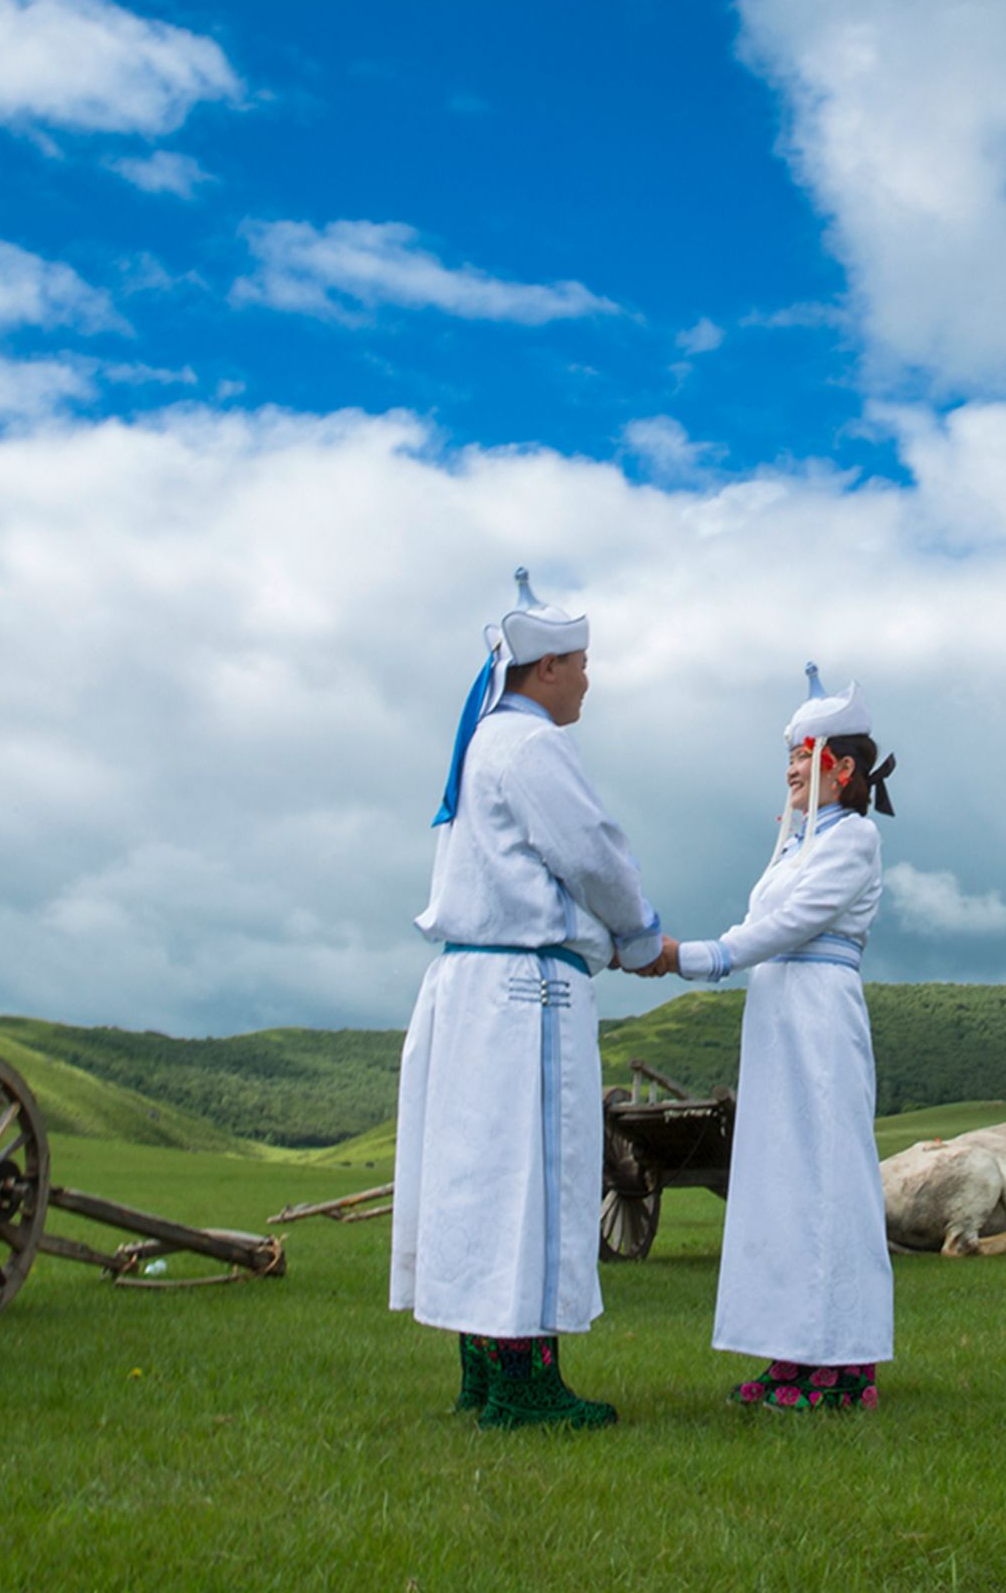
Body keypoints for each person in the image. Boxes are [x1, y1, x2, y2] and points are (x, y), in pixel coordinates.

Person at [391, 570, 666, 1429]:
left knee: (475, 1176)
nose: (588, 678)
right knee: (534, 1178)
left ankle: (479, 1369)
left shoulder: (482, 745)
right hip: (526, 991)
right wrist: (640, 935)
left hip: (468, 986)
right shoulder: (533, 747)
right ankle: (525, 1385)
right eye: (581, 663)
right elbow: (590, 853)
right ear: (544, 669)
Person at [641, 665, 898, 1411]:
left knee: (826, 1177)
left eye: (802, 755)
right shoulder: (793, 843)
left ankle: (846, 1362)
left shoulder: (852, 841)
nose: (789, 769)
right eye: (786, 756)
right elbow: (768, 923)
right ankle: (792, 1349)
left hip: (818, 1013)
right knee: (780, 1179)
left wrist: (696, 955)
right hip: (778, 1017)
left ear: (841, 768)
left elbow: (785, 926)